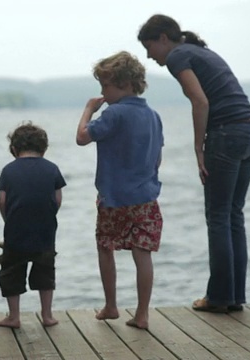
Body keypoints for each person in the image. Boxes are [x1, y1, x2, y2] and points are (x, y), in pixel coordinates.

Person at [138, 14, 250, 313]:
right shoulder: (201, 51)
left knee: (219, 216)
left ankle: (219, 297)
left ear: (164, 39)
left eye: (149, 46)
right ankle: (233, 297)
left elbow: (201, 102)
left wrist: (198, 148)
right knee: (233, 215)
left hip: (226, 134)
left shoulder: (178, 56)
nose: (148, 55)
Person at [76, 51, 164, 329]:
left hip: (113, 198)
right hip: (146, 197)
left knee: (105, 247)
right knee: (143, 253)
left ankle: (111, 305)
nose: (102, 92)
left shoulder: (113, 113)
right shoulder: (153, 116)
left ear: (124, 84)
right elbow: (158, 157)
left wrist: (89, 110)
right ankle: (142, 314)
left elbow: (82, 138)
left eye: (105, 86)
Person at [0, 122, 66, 329]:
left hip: (15, 231)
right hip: (45, 232)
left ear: (14, 149)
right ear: (44, 149)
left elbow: (2, 201)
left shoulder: (8, 170)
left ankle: (14, 317)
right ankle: (47, 315)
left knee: (11, 274)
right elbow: (58, 199)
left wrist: (8, 219)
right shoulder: (52, 168)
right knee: (45, 273)